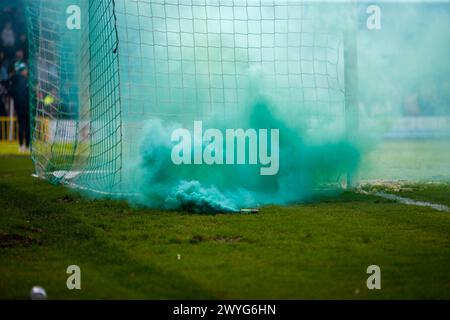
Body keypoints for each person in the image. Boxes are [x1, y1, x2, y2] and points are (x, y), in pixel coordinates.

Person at [9, 62, 30, 152]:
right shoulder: (26, 80)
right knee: (27, 126)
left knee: (21, 126)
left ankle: (21, 146)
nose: (26, 71)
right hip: (27, 106)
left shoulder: (13, 80)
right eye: (25, 70)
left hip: (18, 107)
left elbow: (10, 93)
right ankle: (27, 146)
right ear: (22, 71)